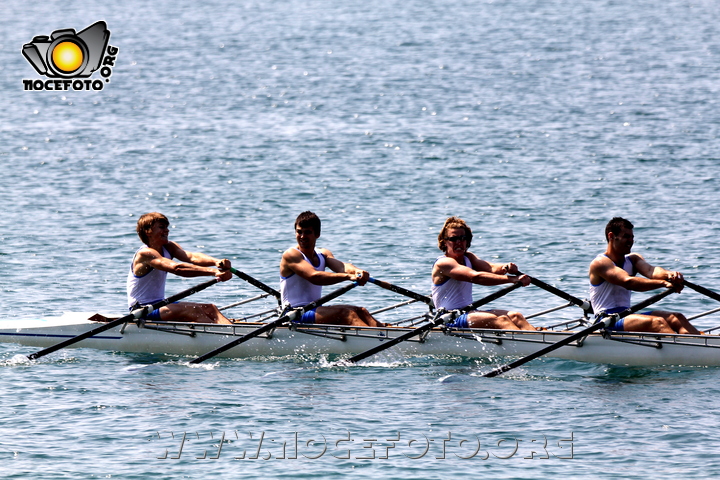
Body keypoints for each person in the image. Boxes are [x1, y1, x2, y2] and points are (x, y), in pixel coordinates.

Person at [588, 217, 699, 334]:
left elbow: (651, 271)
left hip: (627, 315)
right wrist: (663, 283)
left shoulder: (633, 259)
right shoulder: (600, 263)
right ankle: (681, 350)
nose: (631, 241)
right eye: (626, 236)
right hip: (607, 319)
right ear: (611, 236)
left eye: (632, 237)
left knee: (677, 318)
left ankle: (699, 346)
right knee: (657, 322)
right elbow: (628, 282)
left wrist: (670, 275)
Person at [279, 211, 385, 327]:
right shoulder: (291, 255)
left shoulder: (323, 254)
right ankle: (373, 341)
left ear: (317, 234)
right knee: (347, 314)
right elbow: (315, 277)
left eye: (307, 232)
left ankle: (384, 336)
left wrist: (357, 271)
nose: (302, 236)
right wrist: (349, 277)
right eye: (299, 232)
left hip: (314, 311)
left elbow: (342, 267)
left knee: (361, 311)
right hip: (294, 314)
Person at [431, 216, 536, 330]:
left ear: (468, 240)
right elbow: (475, 277)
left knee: (516, 316)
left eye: (463, 238)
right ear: (444, 241)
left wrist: (505, 267)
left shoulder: (468, 257)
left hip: (469, 313)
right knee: (501, 320)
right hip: (449, 318)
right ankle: (526, 345)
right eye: (454, 239)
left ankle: (538, 340)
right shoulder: (444, 263)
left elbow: (490, 267)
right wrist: (513, 279)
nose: (459, 242)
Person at [127, 212, 233, 324]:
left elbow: (193, 257)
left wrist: (216, 262)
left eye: (167, 227)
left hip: (160, 304)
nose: (167, 230)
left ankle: (233, 333)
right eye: (161, 227)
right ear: (148, 231)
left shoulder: (169, 247)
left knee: (210, 308)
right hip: (142, 309)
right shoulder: (145, 254)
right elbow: (177, 268)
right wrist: (214, 272)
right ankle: (218, 337)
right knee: (194, 311)